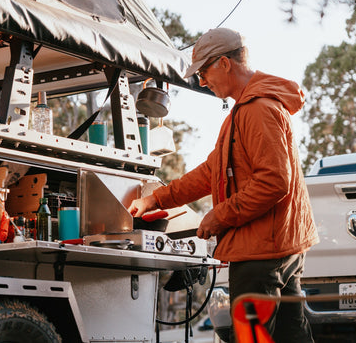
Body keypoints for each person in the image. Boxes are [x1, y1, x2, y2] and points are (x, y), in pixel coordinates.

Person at [128, 28, 319, 342]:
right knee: (292, 335)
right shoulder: (246, 109)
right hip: (277, 250)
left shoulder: (257, 110)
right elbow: (210, 173)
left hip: (260, 257)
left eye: (204, 71)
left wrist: (220, 216)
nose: (202, 81)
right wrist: (156, 199)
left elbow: (274, 181)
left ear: (225, 64)